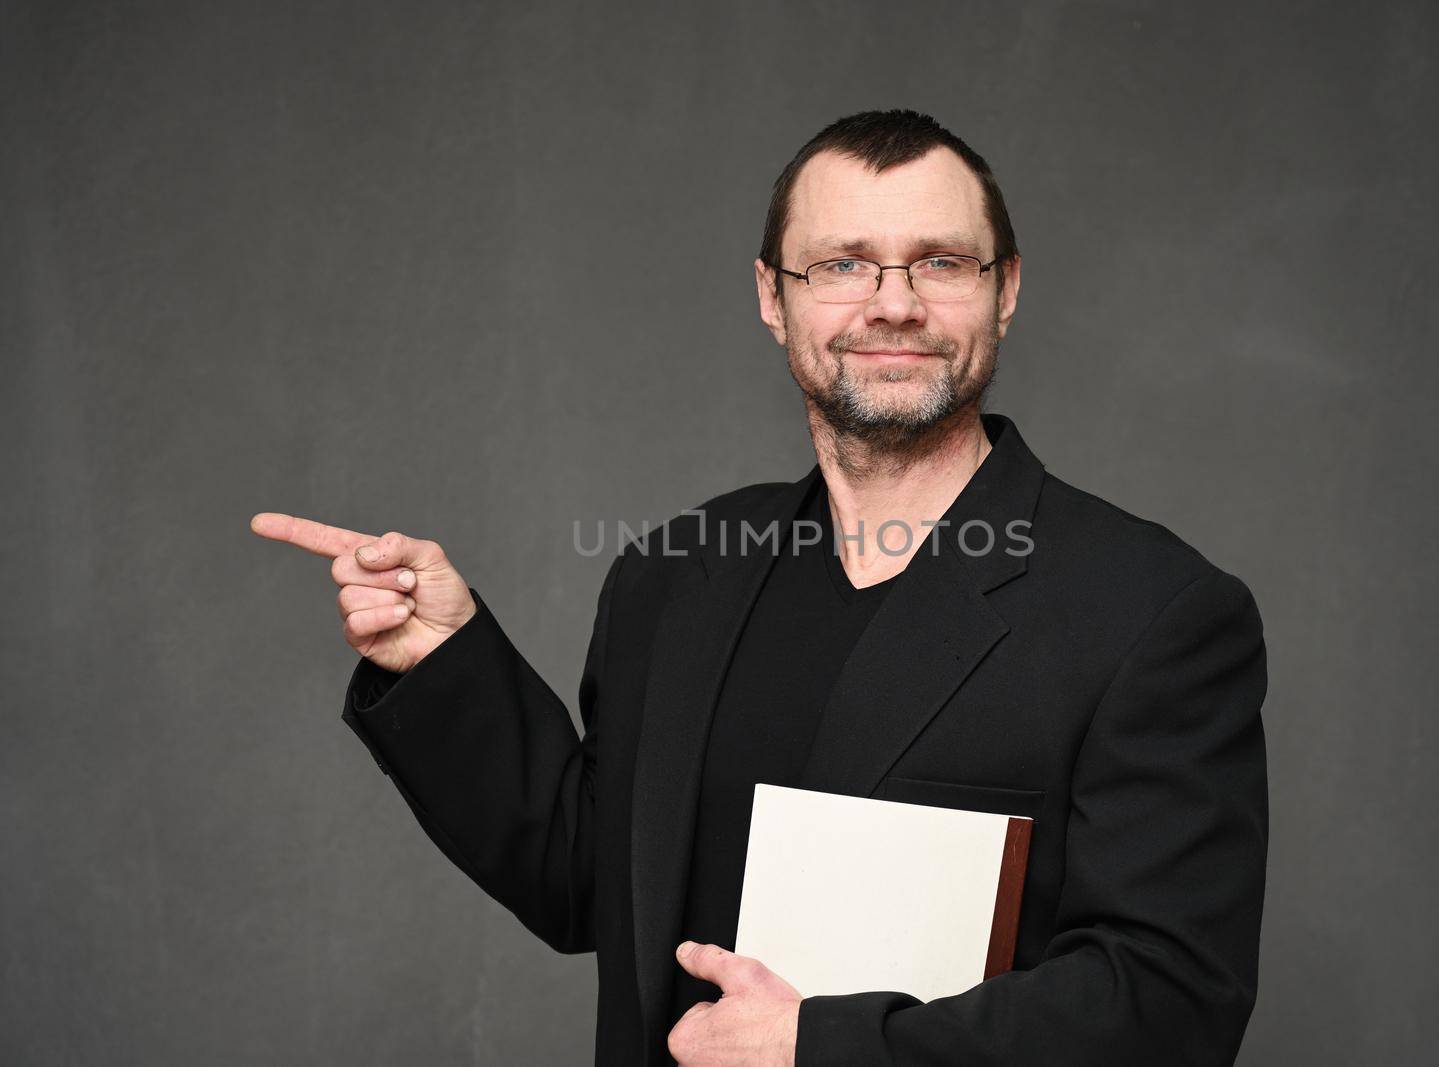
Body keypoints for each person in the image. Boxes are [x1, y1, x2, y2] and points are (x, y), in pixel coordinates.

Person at [252, 109, 1268, 1067]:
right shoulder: (673, 576)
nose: (893, 301)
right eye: (840, 263)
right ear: (771, 298)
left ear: (1004, 290)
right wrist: (443, 658)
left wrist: (819, 1046)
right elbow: (592, 888)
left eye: (941, 262)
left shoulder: (1152, 612)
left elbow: (1169, 998)